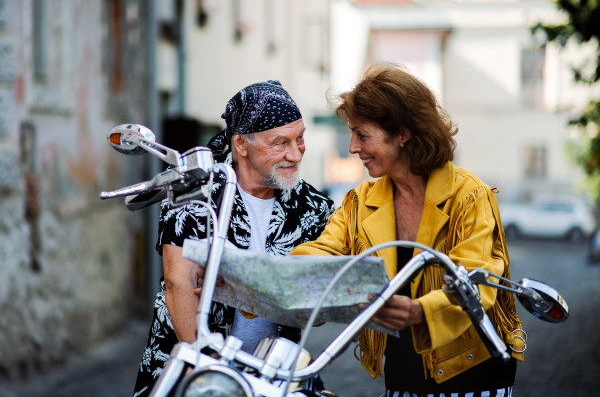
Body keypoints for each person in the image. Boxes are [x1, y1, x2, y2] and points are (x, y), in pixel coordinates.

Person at [290, 63, 525, 397]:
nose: (352, 148)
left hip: (475, 376)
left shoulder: (469, 195)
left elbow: (477, 280)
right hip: (401, 379)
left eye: (362, 135)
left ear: (403, 133)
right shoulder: (360, 200)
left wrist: (419, 311)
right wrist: (273, 276)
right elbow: (320, 253)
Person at [133, 80, 336, 397]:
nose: (295, 154)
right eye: (280, 143)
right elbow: (179, 284)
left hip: (275, 375)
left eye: (300, 138)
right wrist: (208, 369)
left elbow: (319, 308)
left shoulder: (314, 208)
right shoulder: (195, 194)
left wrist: (244, 287)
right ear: (241, 144)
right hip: (196, 367)